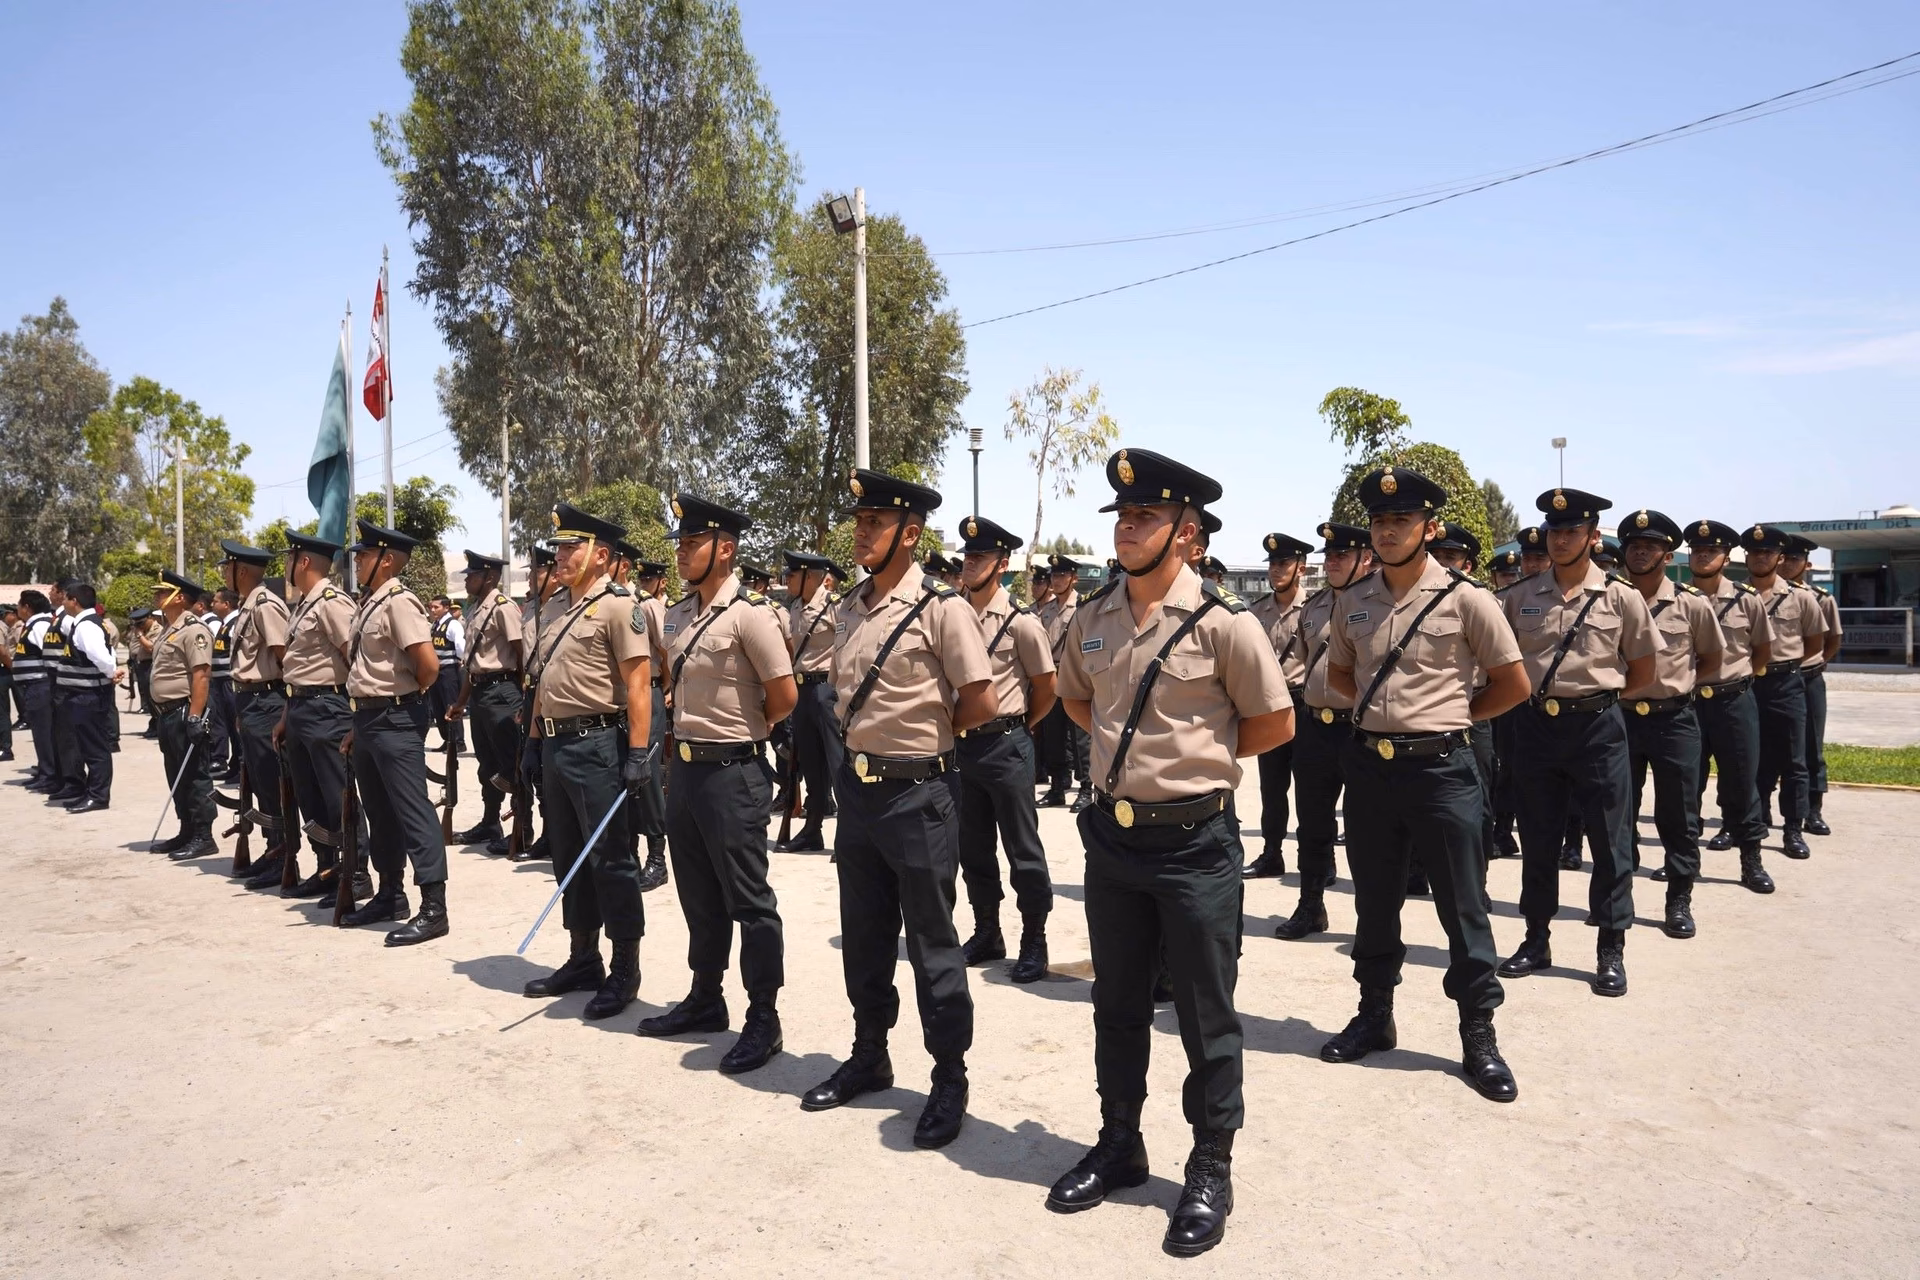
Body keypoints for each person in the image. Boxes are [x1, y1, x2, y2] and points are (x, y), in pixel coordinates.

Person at [1044, 448, 1291, 1257]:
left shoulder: (1226, 623)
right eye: (1122, 515)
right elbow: (1075, 700)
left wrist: (1194, 765)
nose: (1127, 528)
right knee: (1115, 1003)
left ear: (1185, 533)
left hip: (1195, 846)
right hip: (1114, 841)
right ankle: (1121, 1143)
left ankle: (1211, 1164)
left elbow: (1271, 723)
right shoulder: (1093, 615)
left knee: (1204, 1015)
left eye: (1145, 516)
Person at [1316, 468, 1528, 1101]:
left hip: (1443, 771)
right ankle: (1375, 1015)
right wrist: (1386, 720)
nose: (1386, 531)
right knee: (1374, 901)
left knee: (1463, 907)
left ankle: (1477, 1033)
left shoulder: (1468, 600)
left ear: (1429, 529)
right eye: (1379, 521)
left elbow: (1512, 683)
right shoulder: (1352, 601)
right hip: (1372, 768)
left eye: (1400, 521)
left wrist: (1449, 719)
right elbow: (1342, 676)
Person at [799, 468, 994, 1155]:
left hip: (918, 795)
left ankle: (948, 1078)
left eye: (875, 523)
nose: (862, 534)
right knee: (865, 934)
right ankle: (869, 1052)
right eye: (858, 522)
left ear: (910, 534)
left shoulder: (943, 609)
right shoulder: (850, 606)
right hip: (859, 794)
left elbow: (980, 702)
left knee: (933, 945)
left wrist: (922, 750)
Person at [635, 494, 796, 1068]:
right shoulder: (676, 614)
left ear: (724, 549)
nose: (680, 552)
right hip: (687, 771)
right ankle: (706, 997)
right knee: (698, 896)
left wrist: (739, 736)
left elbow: (784, 697)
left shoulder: (750, 614)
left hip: (734, 772)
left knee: (750, 901)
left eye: (692, 542)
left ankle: (764, 1016)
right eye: (679, 542)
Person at [1498, 488, 1659, 998]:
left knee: (1610, 841)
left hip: (1598, 728)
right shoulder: (1519, 597)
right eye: (1554, 530)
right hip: (1537, 729)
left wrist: (1596, 699)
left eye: (1572, 530)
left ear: (1593, 537)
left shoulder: (1621, 597)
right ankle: (1536, 938)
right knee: (1539, 839)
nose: (1561, 538)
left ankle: (1610, 947)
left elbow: (1643, 670)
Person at [519, 505, 653, 1019]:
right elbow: (542, 682)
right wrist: (534, 741)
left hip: (599, 744)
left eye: (572, 547)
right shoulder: (553, 607)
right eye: (558, 548)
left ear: (601, 554)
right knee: (567, 855)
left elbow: (639, 685)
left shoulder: (620, 607)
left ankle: (625, 968)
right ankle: (583, 957)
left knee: (611, 860)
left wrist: (638, 755)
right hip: (556, 744)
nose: (561, 556)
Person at [949, 515, 1058, 982]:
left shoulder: (1021, 624)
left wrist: (1017, 727)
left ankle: (1034, 939)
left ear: (1003, 564)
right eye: (968, 555)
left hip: (1006, 744)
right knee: (971, 848)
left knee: (1022, 849)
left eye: (981, 557)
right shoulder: (949, 612)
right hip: (961, 748)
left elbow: (1046, 687)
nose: (970, 563)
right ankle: (987, 930)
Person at [339, 518, 453, 945]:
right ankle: (390, 894)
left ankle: (434, 908)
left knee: (413, 811)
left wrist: (404, 700)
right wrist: (359, 722)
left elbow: (429, 666)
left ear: (386, 561)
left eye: (364, 555)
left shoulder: (399, 603)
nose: (358, 561)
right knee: (380, 812)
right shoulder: (370, 603)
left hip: (395, 717)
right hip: (368, 719)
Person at [1617, 510, 1722, 938]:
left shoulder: (1689, 604)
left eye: (1651, 545)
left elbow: (1713, 659)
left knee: (1679, 813)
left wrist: (1679, 688)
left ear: (1668, 553)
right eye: (1634, 545)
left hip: (1674, 720)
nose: (1641, 551)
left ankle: (1679, 899)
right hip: (1620, 718)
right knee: (1616, 814)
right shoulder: (1608, 599)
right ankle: (1616, 900)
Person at [1273, 522, 1373, 940]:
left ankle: (1374, 922)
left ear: (1366, 558)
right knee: (1312, 823)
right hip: (1316, 726)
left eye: (1342, 555)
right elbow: (1302, 659)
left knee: (1368, 829)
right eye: (1328, 555)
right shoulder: (1312, 608)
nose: (1331, 562)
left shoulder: (1381, 603)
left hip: (1360, 729)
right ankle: (1310, 905)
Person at [273, 532, 365, 902]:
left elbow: (355, 661)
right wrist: (285, 716)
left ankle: (356, 872)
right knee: (309, 796)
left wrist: (356, 717)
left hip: (328, 708)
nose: (285, 566)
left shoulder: (331, 603)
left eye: (289, 558)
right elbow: (296, 669)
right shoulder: (304, 604)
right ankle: (326, 866)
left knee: (337, 795)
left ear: (304, 562)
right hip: (300, 707)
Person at [1687, 521, 1777, 892]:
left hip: (1733, 701)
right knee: (1685, 789)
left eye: (1711, 551)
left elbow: (1762, 654)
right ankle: (1684, 862)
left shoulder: (1746, 599)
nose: (1703, 555)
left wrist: (1734, 680)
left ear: (1726, 557)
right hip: (1687, 704)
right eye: (1697, 550)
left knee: (1742, 783)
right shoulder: (1679, 598)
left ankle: (1751, 860)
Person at [218, 540, 300, 887]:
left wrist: (283, 707)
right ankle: (272, 851)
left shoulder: (265, 605)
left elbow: (286, 658)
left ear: (243, 571)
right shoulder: (248, 606)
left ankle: (282, 856)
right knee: (261, 785)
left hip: (267, 700)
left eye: (227, 566)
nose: (223, 572)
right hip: (251, 701)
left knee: (273, 784)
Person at [1744, 523, 1826, 861]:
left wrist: (1782, 666)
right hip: (1748, 683)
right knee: (1748, 758)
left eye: (1768, 552)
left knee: (1794, 759)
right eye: (1754, 551)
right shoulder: (1737, 596)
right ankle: (1751, 821)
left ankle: (1793, 827)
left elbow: (1816, 643)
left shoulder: (1801, 597)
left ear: (1780, 557)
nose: (1760, 557)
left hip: (1786, 683)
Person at [1244, 532, 1313, 878]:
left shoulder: (1315, 609)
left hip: (1304, 707)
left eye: (1283, 563)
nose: (1275, 569)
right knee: (1272, 788)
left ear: (1301, 568)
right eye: (1272, 563)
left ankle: (1316, 858)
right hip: (1270, 707)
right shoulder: (1257, 612)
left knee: (1310, 789)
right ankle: (1272, 853)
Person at [447, 551, 524, 853]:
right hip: (480, 693)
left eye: (473, 575)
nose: (468, 579)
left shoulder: (503, 608)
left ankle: (522, 825)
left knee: (511, 763)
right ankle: (490, 821)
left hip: (502, 690)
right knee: (487, 765)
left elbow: (520, 653)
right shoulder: (475, 609)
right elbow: (471, 664)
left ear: (490, 577)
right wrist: (460, 702)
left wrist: (523, 698)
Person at [148, 572, 219, 860]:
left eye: (162, 593)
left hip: (183, 710)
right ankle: (186, 829)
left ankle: (204, 835)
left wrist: (194, 717)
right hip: (166, 712)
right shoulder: (169, 628)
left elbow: (201, 676)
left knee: (194, 775)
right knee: (176, 774)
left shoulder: (193, 629)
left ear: (179, 598)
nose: (156, 597)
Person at [778, 548, 841, 852]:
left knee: (839, 763)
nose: (786, 578)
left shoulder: (834, 607)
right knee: (812, 765)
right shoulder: (794, 608)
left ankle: (850, 836)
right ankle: (812, 828)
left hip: (827, 690)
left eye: (792, 574)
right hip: (802, 691)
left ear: (811, 577)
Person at [1780, 534, 1842, 837]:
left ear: (1807, 563)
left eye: (1795, 559)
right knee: (1766, 749)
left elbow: (1832, 640)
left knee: (1811, 746)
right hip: (1774, 681)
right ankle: (1760, 808)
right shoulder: (1760, 595)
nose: (1788, 564)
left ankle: (1812, 811)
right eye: (1785, 558)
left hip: (1807, 679)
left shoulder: (1820, 598)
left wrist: (1814, 663)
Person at [55, 582, 119, 812]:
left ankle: (98, 796)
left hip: (88, 695)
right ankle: (91, 792)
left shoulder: (86, 627)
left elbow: (100, 655)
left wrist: (111, 672)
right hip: (82, 694)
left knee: (95, 749)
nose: (63, 603)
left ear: (74, 601)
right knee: (87, 746)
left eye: (65, 599)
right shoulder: (85, 623)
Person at [1036, 555, 1091, 810]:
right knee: (1053, 734)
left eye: (1061, 576)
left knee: (1079, 735)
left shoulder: (1083, 607)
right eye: (1053, 576)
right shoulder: (1045, 611)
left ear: (1074, 578)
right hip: (1051, 675)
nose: (1055, 581)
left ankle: (1087, 787)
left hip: (1076, 675)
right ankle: (1058, 786)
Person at [13, 592, 58, 791]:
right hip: (33, 687)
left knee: (44, 732)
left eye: (19, 605)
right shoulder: (33, 624)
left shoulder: (40, 625)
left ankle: (49, 774)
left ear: (27, 607)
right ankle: (44, 769)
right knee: (40, 732)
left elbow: (50, 654)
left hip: (41, 686)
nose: (17, 609)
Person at [205, 588, 239, 781]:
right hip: (220, 683)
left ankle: (242, 768)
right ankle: (235, 766)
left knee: (236, 726)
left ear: (226, 604)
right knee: (226, 724)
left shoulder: (235, 624)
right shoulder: (226, 625)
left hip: (229, 683)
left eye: (216, 601)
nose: (213, 604)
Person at [425, 595, 466, 752]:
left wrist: (462, 662)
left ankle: (458, 741)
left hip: (448, 672)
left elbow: (461, 647)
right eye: (431, 607)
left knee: (451, 705)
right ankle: (447, 739)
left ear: (446, 608)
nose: (433, 610)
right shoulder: (435, 625)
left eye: (436, 607)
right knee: (438, 707)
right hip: (436, 672)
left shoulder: (452, 625)